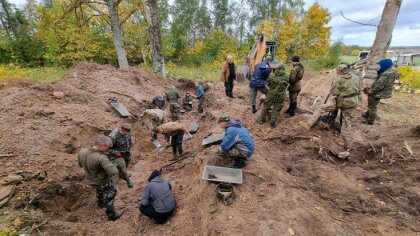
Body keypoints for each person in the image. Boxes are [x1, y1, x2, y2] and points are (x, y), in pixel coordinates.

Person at [78, 136, 123, 220]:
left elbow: (80, 165)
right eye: (107, 147)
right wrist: (112, 164)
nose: (107, 149)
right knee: (110, 194)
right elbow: (114, 171)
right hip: (103, 181)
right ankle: (112, 215)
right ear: (103, 145)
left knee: (99, 190)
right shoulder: (101, 158)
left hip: (90, 179)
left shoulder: (82, 152)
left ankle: (100, 204)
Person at [362, 58, 399, 125]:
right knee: (373, 105)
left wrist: (370, 92)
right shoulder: (391, 70)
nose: (379, 66)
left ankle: (370, 121)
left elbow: (379, 86)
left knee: (372, 106)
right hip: (384, 91)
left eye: (380, 65)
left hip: (380, 92)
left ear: (385, 64)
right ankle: (367, 114)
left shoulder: (386, 74)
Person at [257, 63, 289, 128]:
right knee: (276, 109)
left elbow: (267, 83)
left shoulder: (271, 76)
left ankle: (261, 119)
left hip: (271, 94)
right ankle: (272, 123)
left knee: (266, 107)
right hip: (281, 95)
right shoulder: (286, 77)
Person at [108, 124, 133, 188]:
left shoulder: (127, 133)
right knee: (123, 167)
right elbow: (107, 149)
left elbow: (129, 140)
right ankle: (128, 180)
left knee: (127, 163)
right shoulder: (113, 137)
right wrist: (115, 152)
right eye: (125, 132)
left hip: (126, 153)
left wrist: (129, 146)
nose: (127, 134)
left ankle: (121, 175)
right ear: (122, 130)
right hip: (117, 155)